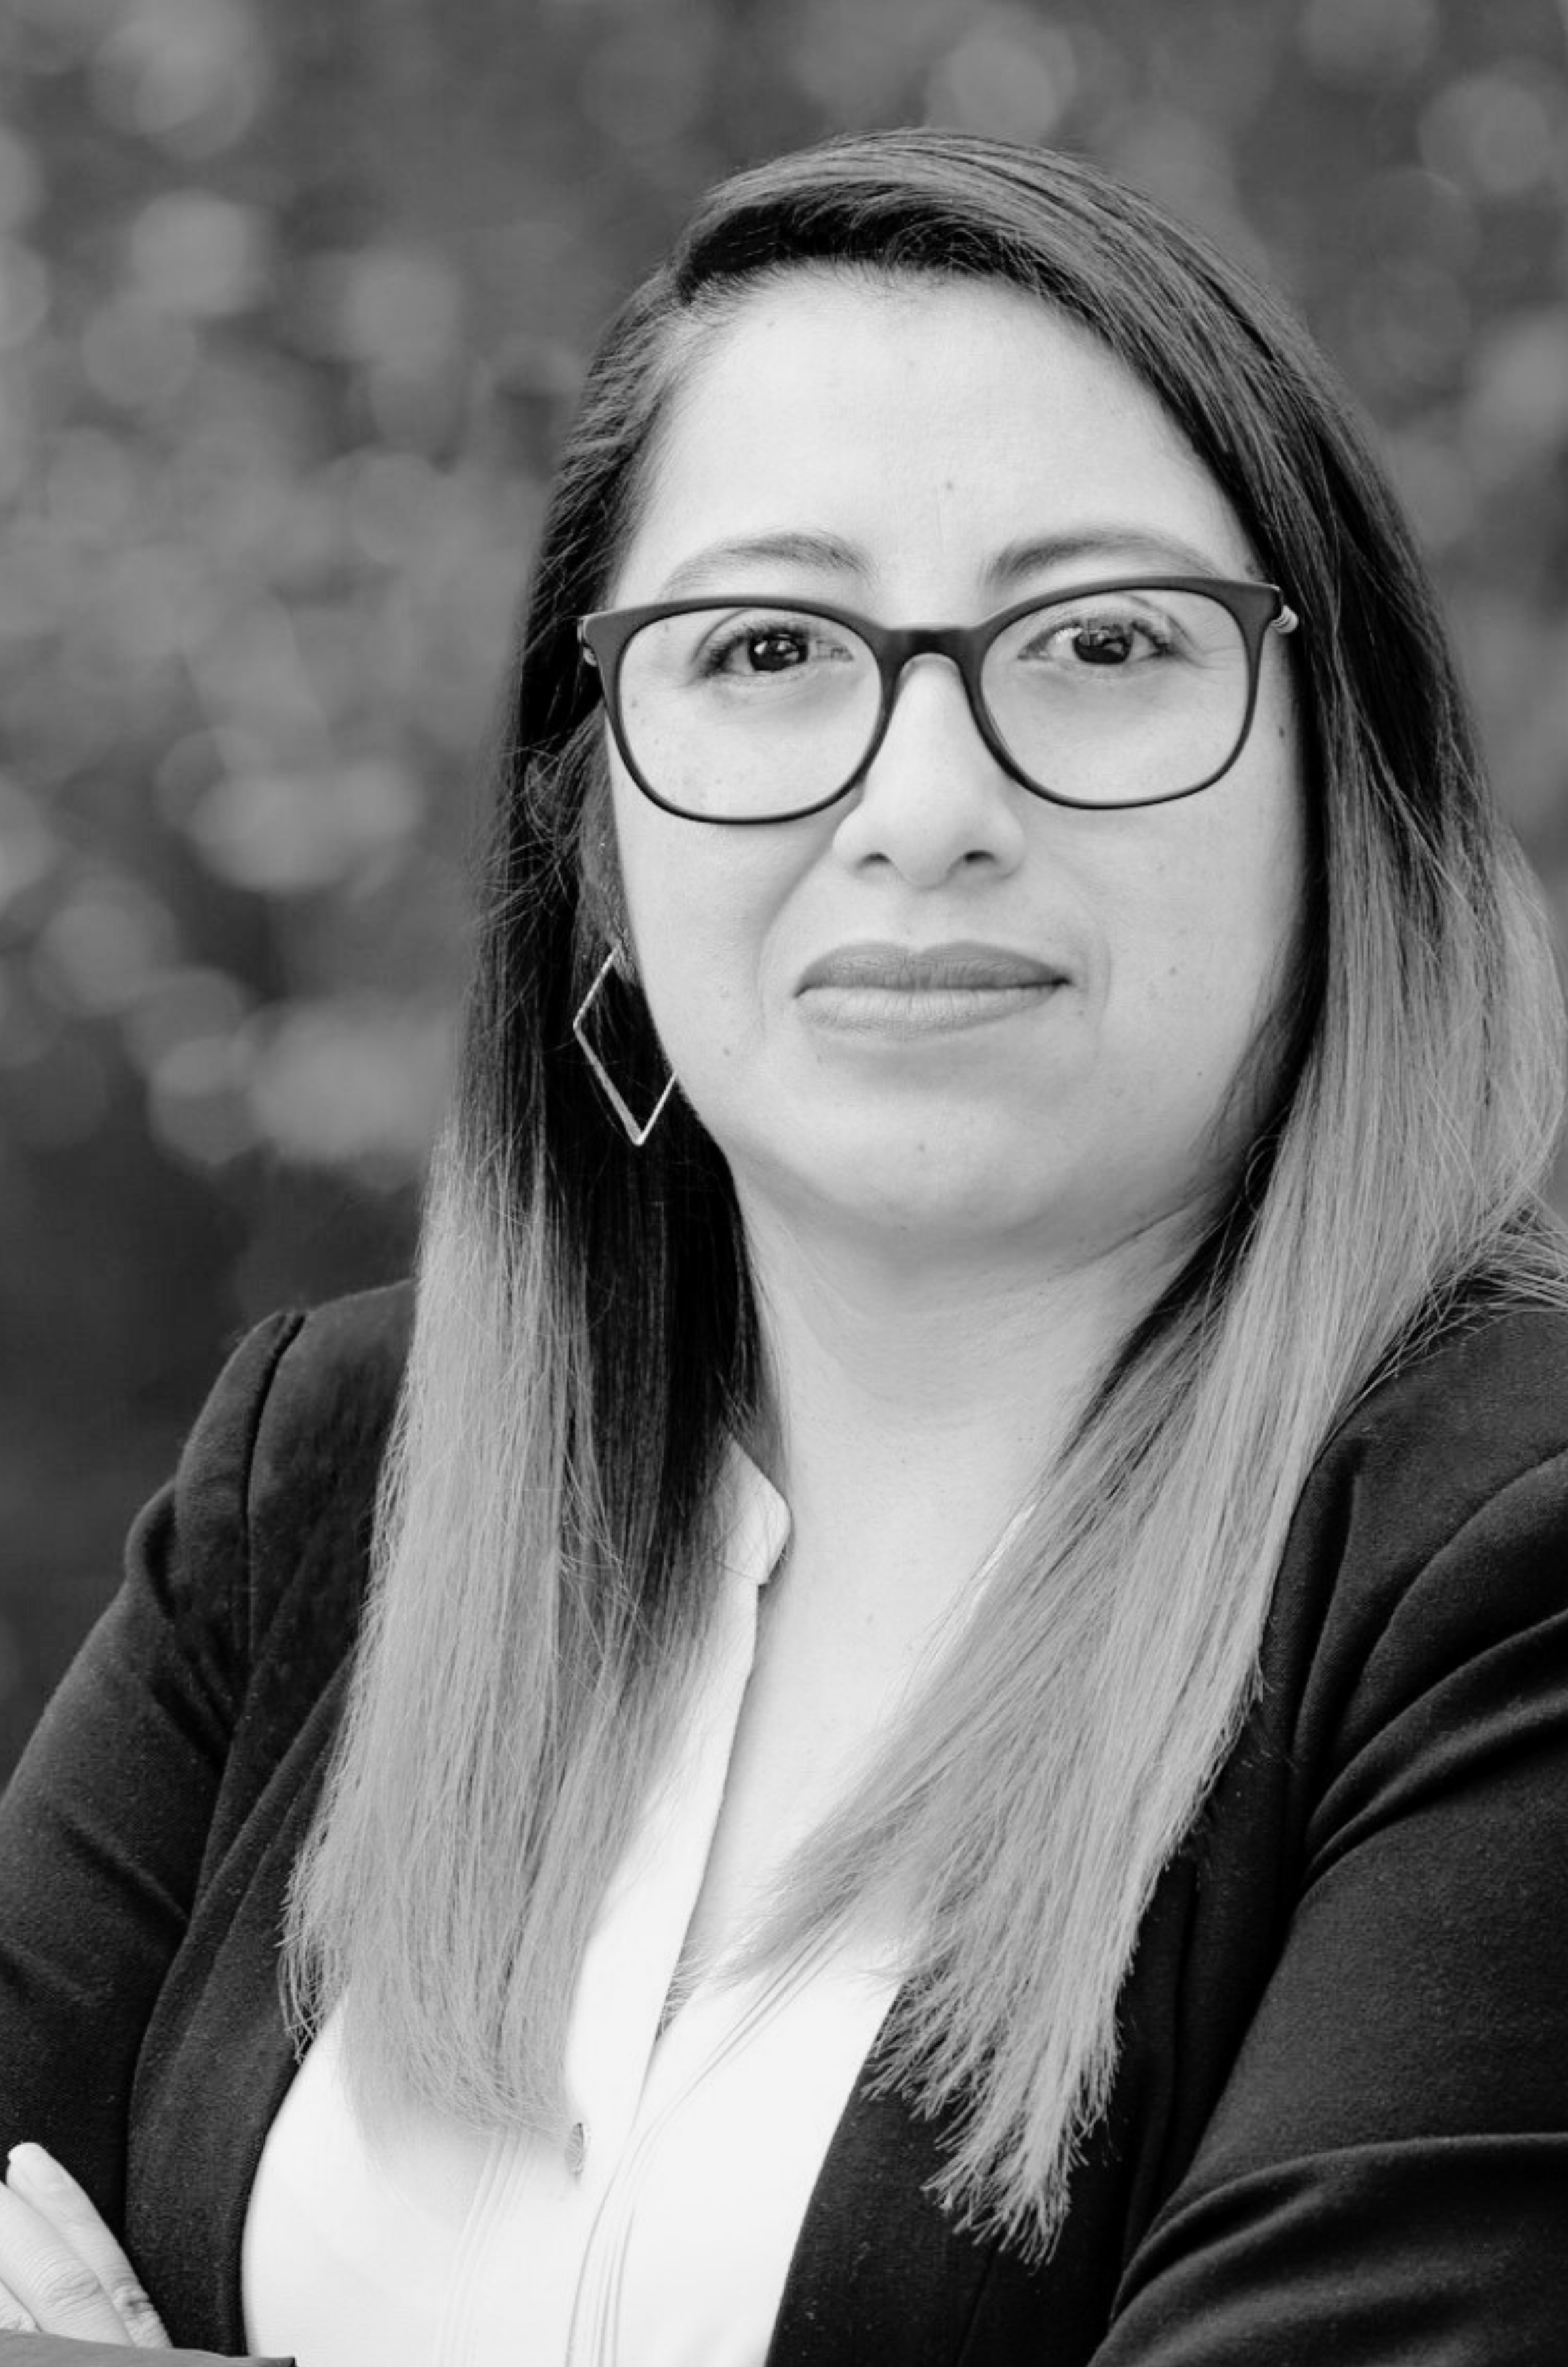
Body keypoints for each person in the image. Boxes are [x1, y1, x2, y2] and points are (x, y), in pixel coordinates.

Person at [1, 124, 1567, 2367]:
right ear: (594, 836)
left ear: (1343, 789)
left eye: (1103, 639)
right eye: (763, 646)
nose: (923, 807)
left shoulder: (1508, 1564)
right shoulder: (329, 1481)